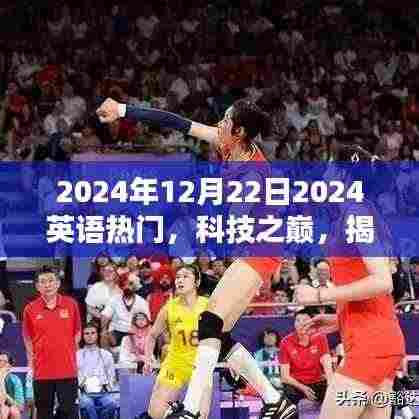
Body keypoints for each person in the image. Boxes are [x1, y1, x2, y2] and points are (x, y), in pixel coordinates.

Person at [97, 97, 296, 419]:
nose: (220, 123)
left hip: (262, 249)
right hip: (251, 247)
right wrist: (122, 110)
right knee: (220, 333)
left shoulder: (254, 175)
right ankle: (275, 400)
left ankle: (190, 409)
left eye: (226, 119)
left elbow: (233, 218)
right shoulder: (225, 140)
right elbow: (177, 122)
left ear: (239, 131)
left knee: (208, 322)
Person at [294, 144, 406, 419]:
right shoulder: (357, 212)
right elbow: (370, 281)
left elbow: (383, 282)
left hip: (371, 345)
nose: (326, 168)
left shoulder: (357, 213)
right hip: (377, 340)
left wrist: (319, 296)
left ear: (343, 175)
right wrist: (339, 318)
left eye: (331, 163)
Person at [139, 265, 210, 419]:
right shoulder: (169, 308)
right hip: (175, 365)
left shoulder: (209, 305)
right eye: (177, 277)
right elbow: (152, 335)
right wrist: (148, 359)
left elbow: (223, 335)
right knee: (156, 413)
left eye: (185, 276)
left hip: (201, 367)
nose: (179, 280)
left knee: (201, 415)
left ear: (197, 282)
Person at [22, 266, 81, 419]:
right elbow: (28, 338)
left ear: (58, 283)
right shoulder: (30, 309)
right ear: (37, 286)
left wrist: (67, 353)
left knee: (69, 411)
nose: (47, 285)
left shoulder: (71, 304)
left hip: (67, 369)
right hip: (42, 371)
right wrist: (31, 362)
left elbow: (77, 333)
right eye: (42, 282)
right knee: (43, 412)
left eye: (50, 280)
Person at [279, 309, 332, 419]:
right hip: (296, 384)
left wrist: (331, 383)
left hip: (317, 382)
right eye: (298, 320)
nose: (301, 323)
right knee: (287, 402)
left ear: (312, 323)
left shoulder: (320, 337)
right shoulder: (286, 342)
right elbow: (285, 376)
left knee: (336, 397)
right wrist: (303, 388)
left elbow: (327, 363)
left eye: (305, 320)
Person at [77, 324, 119, 419]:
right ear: (83, 336)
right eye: (87, 333)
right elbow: (76, 376)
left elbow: (111, 376)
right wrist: (82, 385)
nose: (90, 336)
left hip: (103, 392)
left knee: (112, 404)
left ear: (97, 335)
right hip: (84, 392)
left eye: (93, 333)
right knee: (87, 404)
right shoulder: (77, 355)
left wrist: (106, 387)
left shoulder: (106, 355)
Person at [0, 351, 24, 419]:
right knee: (3, 412)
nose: (1, 364)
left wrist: (9, 405)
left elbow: (20, 406)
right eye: (0, 361)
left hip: (11, 406)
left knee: (14, 412)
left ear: (9, 365)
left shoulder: (15, 380)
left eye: (5, 362)